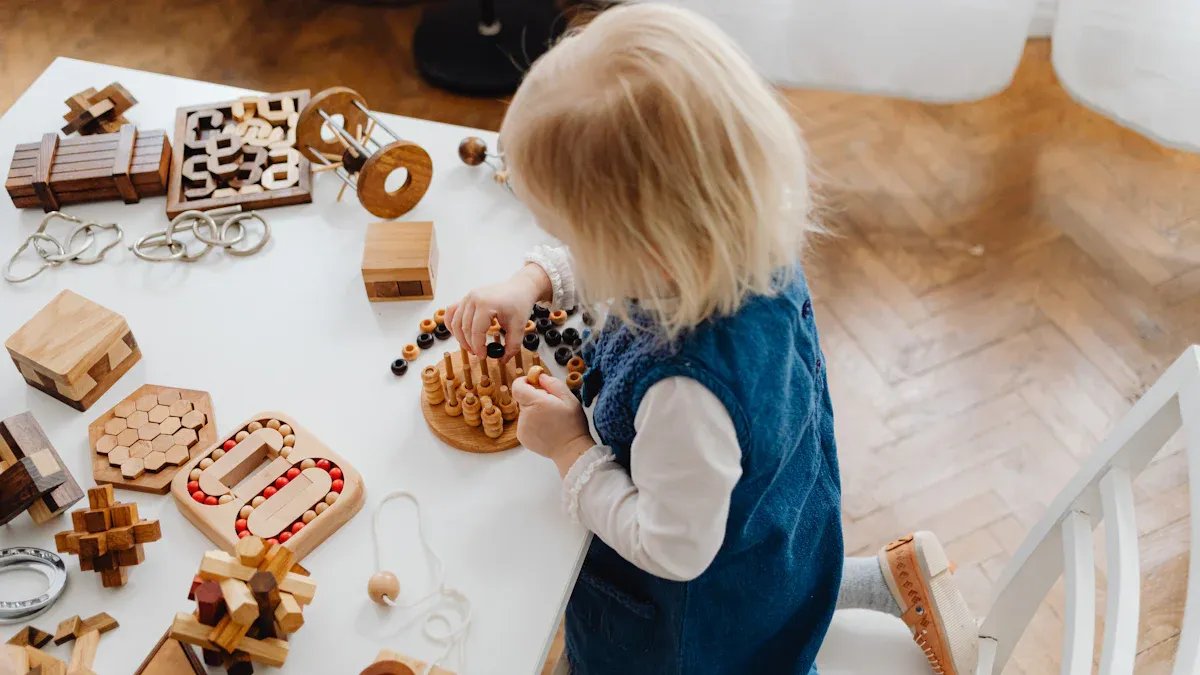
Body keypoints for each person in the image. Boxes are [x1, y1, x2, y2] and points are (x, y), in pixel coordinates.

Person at [444, 4, 977, 673]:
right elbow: (630, 255)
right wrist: (535, 279)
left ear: (646, 249)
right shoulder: (743, 237)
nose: (572, 250)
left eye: (576, 238)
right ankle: (865, 585)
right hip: (779, 533)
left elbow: (672, 548)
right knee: (772, 596)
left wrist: (571, 449)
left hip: (690, 627)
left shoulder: (684, 395)